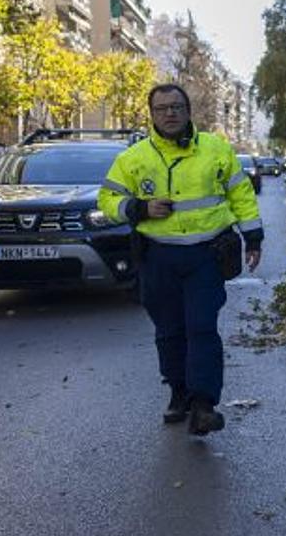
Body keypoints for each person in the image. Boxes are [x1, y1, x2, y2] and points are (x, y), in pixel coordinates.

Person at [97, 84, 262, 435]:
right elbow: (107, 200)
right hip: (158, 257)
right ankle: (178, 392)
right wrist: (139, 208)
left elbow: (241, 193)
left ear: (188, 111)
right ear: (152, 115)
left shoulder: (216, 149)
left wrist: (253, 237)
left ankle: (203, 405)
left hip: (206, 256)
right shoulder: (133, 158)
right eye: (162, 108)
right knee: (169, 331)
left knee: (202, 327)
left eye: (176, 106)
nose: (170, 113)